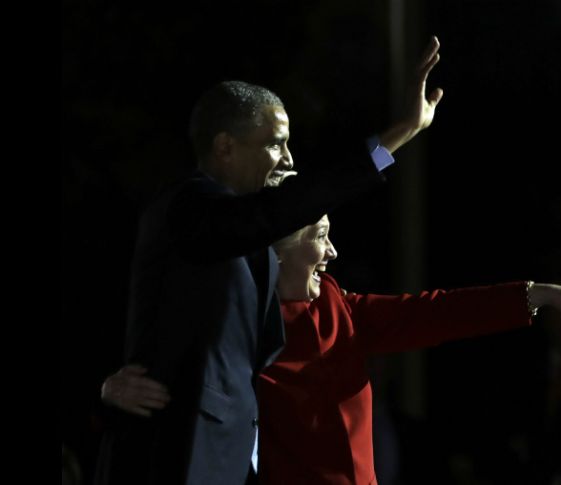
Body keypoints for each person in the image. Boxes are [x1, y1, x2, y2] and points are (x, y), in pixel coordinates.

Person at [94, 36, 444, 485]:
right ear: (225, 148)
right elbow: (106, 304)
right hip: (176, 458)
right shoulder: (187, 210)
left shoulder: (249, 240)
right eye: (276, 144)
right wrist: (399, 135)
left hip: (231, 463)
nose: (288, 159)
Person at [105, 213, 561, 484]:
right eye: (321, 235)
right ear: (276, 252)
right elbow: (173, 387)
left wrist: (535, 294)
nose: (333, 251)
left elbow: (436, 311)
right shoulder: (233, 325)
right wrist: (108, 386)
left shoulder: (340, 307)